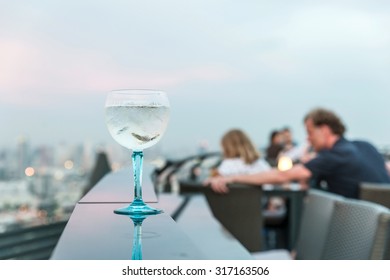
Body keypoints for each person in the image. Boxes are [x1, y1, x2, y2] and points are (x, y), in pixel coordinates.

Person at [205, 108, 390, 199]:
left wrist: (234, 178)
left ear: (324, 130)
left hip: (358, 235)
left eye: (309, 132)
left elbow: (281, 175)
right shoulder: (366, 145)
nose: (308, 139)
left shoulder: (335, 156)